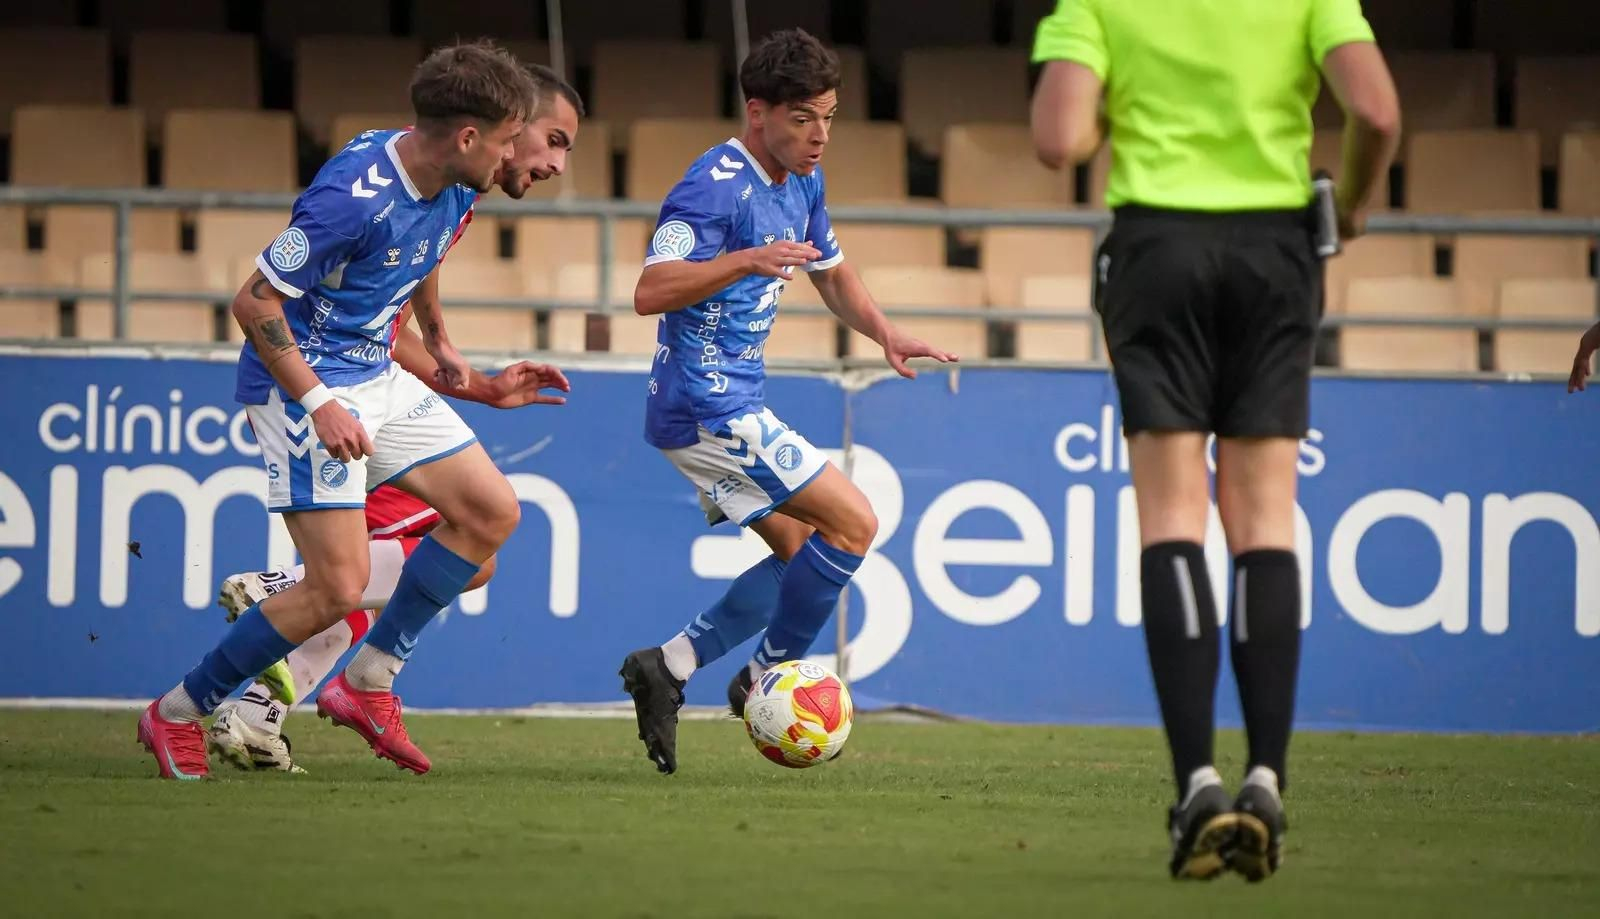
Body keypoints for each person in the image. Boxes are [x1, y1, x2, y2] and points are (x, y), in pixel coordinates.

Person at [1029, 0, 1400, 880]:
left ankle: (1197, 784)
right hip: (1277, 251)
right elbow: (1378, 111)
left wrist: (1120, 111)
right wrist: (1351, 203)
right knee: (1265, 521)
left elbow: (1059, 138)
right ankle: (1266, 781)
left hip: (1156, 246)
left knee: (1171, 521)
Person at [137, 41, 539, 780]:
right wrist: (319, 403)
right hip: (305, 383)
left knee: (490, 514)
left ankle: (368, 679)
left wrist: (439, 339)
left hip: (377, 369)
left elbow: (426, 250)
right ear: (467, 136)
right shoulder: (352, 198)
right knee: (337, 588)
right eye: (510, 139)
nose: (517, 153)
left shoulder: (458, 178)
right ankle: (176, 711)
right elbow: (253, 302)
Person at [617, 28, 957, 776]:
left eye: (828, 117)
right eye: (803, 118)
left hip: (731, 400)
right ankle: (765, 677)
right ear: (758, 111)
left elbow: (831, 271)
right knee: (854, 522)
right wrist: (746, 259)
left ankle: (667, 666)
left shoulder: (803, 180)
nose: (820, 135)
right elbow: (650, 289)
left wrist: (885, 332)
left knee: (803, 552)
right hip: (706, 405)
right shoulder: (713, 185)